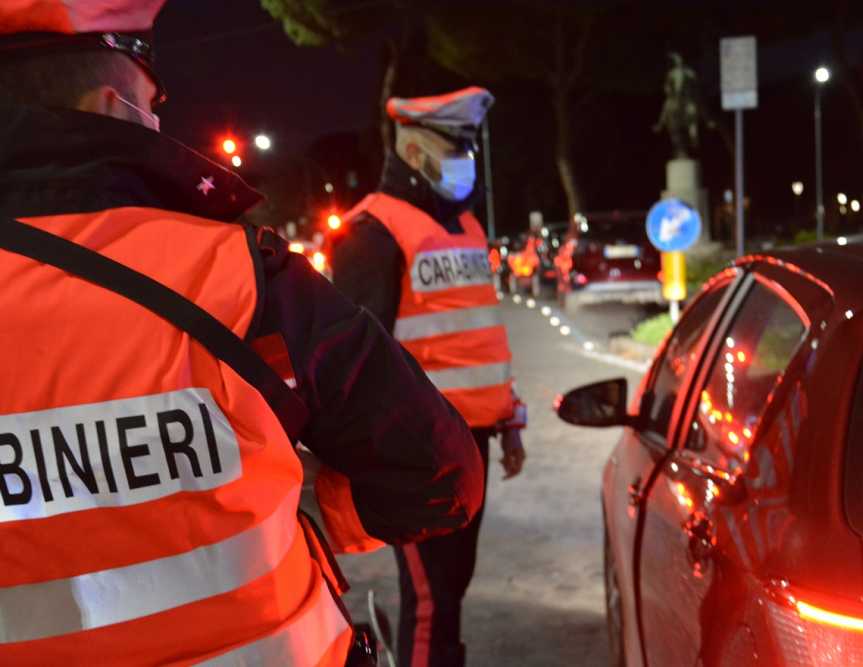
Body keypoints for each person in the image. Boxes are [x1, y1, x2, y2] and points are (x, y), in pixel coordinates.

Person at [0, 3, 484, 665]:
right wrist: (310, 509)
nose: (161, 120)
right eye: (154, 103)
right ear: (111, 107)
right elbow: (439, 472)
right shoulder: (235, 270)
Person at [334, 87, 527, 667]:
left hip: (473, 442)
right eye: (453, 148)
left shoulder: (465, 226)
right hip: (417, 452)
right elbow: (356, 362)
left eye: (468, 148)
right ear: (414, 152)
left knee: (452, 588)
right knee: (428, 598)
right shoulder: (372, 230)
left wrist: (510, 422)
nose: (465, 161)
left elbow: (479, 337)